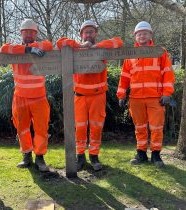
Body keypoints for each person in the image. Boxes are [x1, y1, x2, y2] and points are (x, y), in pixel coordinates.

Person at [56, 20, 123, 171]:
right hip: (79, 96)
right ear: (81, 34)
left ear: (96, 34)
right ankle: (80, 157)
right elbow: (59, 43)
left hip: (98, 96)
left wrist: (96, 46)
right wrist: (80, 45)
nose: (88, 34)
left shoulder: (102, 49)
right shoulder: (75, 49)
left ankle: (94, 155)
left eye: (91, 32)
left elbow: (119, 42)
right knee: (79, 128)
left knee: (96, 127)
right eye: (85, 32)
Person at [117, 21, 175, 167]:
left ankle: (156, 155)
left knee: (156, 127)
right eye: (139, 34)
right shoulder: (130, 54)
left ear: (150, 35)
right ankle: (141, 154)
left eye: (145, 33)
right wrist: (122, 94)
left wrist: (167, 93)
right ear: (135, 36)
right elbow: (124, 76)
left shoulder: (160, 51)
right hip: (135, 98)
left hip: (156, 97)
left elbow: (168, 74)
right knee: (139, 127)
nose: (142, 36)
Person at [0, 19, 53, 172]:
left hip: (39, 97)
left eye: (31, 32)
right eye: (25, 32)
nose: (28, 34)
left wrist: (33, 48)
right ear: (21, 33)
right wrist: (28, 50)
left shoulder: (41, 47)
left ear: (35, 34)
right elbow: (4, 47)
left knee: (41, 129)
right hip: (20, 97)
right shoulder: (15, 49)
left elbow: (49, 45)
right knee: (22, 128)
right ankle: (26, 156)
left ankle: (40, 158)